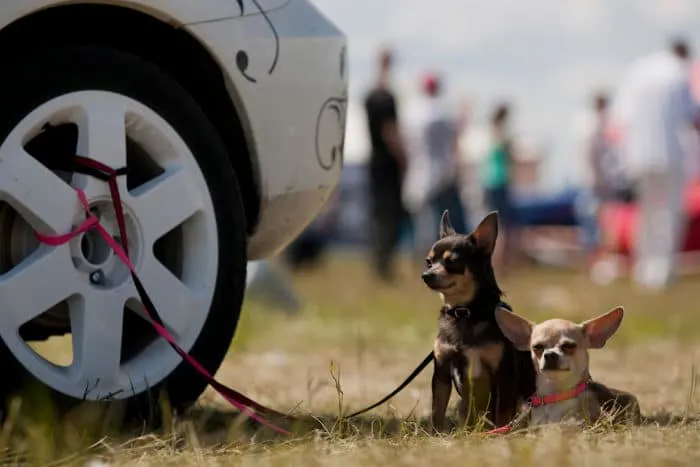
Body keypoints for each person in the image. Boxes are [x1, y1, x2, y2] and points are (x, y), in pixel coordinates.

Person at [614, 38, 700, 291]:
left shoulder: (639, 72)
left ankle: (643, 268)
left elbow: (622, 117)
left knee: (646, 214)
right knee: (669, 214)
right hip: (670, 154)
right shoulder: (678, 74)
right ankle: (661, 271)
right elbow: (693, 118)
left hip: (638, 155)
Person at [402, 72, 469, 258]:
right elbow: (456, 135)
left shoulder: (413, 113)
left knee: (423, 226)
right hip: (440, 175)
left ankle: (427, 262)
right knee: (439, 226)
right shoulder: (441, 112)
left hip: (420, 176)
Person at [363, 47, 408, 282]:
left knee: (378, 215)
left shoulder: (369, 95)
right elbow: (390, 131)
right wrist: (403, 158)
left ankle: (379, 263)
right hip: (387, 164)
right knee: (390, 216)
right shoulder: (385, 97)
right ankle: (384, 265)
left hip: (374, 161)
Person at [481, 103, 518, 274]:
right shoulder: (502, 136)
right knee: (502, 225)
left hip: (488, 181)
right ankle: (500, 263)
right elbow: (510, 158)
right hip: (499, 182)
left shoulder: (488, 135)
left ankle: (494, 262)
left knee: (492, 224)